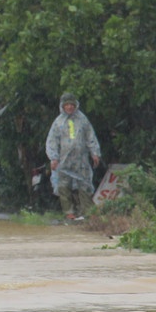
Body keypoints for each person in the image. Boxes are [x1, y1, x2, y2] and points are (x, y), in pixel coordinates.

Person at [45, 93, 101, 222]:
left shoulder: (82, 119)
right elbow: (52, 141)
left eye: (72, 104)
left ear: (75, 105)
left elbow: (90, 136)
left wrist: (95, 153)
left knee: (84, 184)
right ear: (62, 106)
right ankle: (69, 212)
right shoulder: (58, 122)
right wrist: (53, 158)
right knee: (64, 185)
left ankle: (87, 211)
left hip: (81, 160)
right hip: (64, 160)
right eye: (67, 105)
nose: (69, 107)